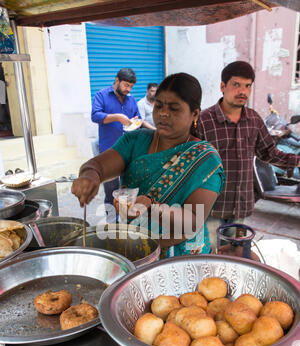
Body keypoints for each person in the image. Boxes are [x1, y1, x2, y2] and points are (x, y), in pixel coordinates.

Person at [72, 73, 225, 257]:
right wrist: (90, 176)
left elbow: (193, 220)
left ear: (194, 114)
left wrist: (152, 206)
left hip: (183, 258)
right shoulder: (135, 141)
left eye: (174, 108)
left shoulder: (205, 160)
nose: (163, 113)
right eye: (158, 106)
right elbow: (97, 165)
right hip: (135, 250)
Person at [198, 61, 300, 252]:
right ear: (223, 86)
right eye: (236, 85)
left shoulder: (253, 120)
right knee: (211, 259)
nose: (242, 91)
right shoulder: (205, 120)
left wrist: (297, 161)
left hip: (240, 207)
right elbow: (191, 162)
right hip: (212, 207)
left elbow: (269, 152)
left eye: (247, 86)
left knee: (237, 259)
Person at [91, 68, 141, 210]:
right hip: (109, 150)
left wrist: (135, 120)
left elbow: (138, 118)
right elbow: (95, 115)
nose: (128, 89)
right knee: (111, 190)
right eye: (126, 85)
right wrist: (117, 117)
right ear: (117, 80)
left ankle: (126, 217)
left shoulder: (131, 100)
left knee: (128, 187)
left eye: (131, 86)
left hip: (129, 150)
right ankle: (112, 222)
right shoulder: (102, 95)